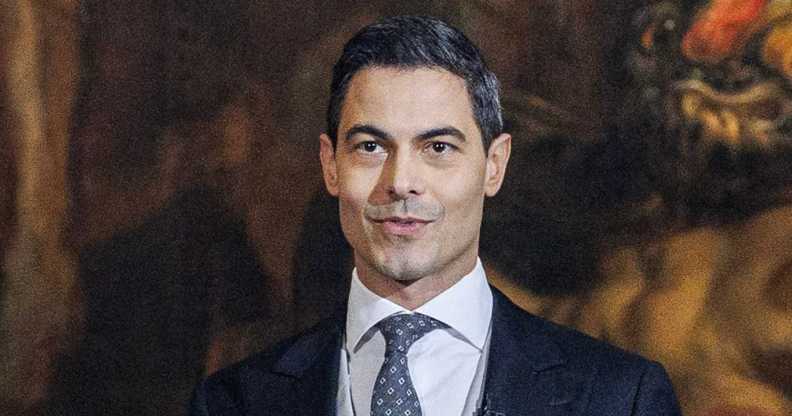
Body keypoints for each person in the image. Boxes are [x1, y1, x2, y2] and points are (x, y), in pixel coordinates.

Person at [188, 15, 681, 416]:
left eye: (438, 147)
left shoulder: (621, 398)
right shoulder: (235, 402)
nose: (401, 181)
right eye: (371, 146)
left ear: (494, 165)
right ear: (329, 165)